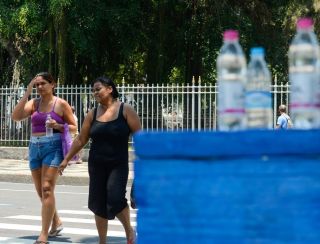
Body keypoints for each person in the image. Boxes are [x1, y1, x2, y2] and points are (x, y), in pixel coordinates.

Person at [58, 76, 141, 244]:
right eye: (93, 90)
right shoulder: (92, 114)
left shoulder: (125, 110)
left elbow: (141, 138)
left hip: (118, 165)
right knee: (97, 203)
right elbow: (81, 139)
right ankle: (102, 241)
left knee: (115, 199)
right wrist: (66, 159)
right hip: (97, 165)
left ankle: (129, 232)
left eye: (98, 89)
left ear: (110, 89)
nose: (95, 93)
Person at [11, 72, 77, 244]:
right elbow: (16, 117)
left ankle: (43, 235)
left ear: (52, 84)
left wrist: (58, 125)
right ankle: (56, 220)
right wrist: (27, 92)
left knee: (47, 188)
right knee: (41, 191)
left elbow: (74, 127)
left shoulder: (61, 104)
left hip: (53, 147)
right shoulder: (34, 103)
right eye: (37, 84)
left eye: (43, 84)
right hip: (34, 147)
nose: (40, 87)